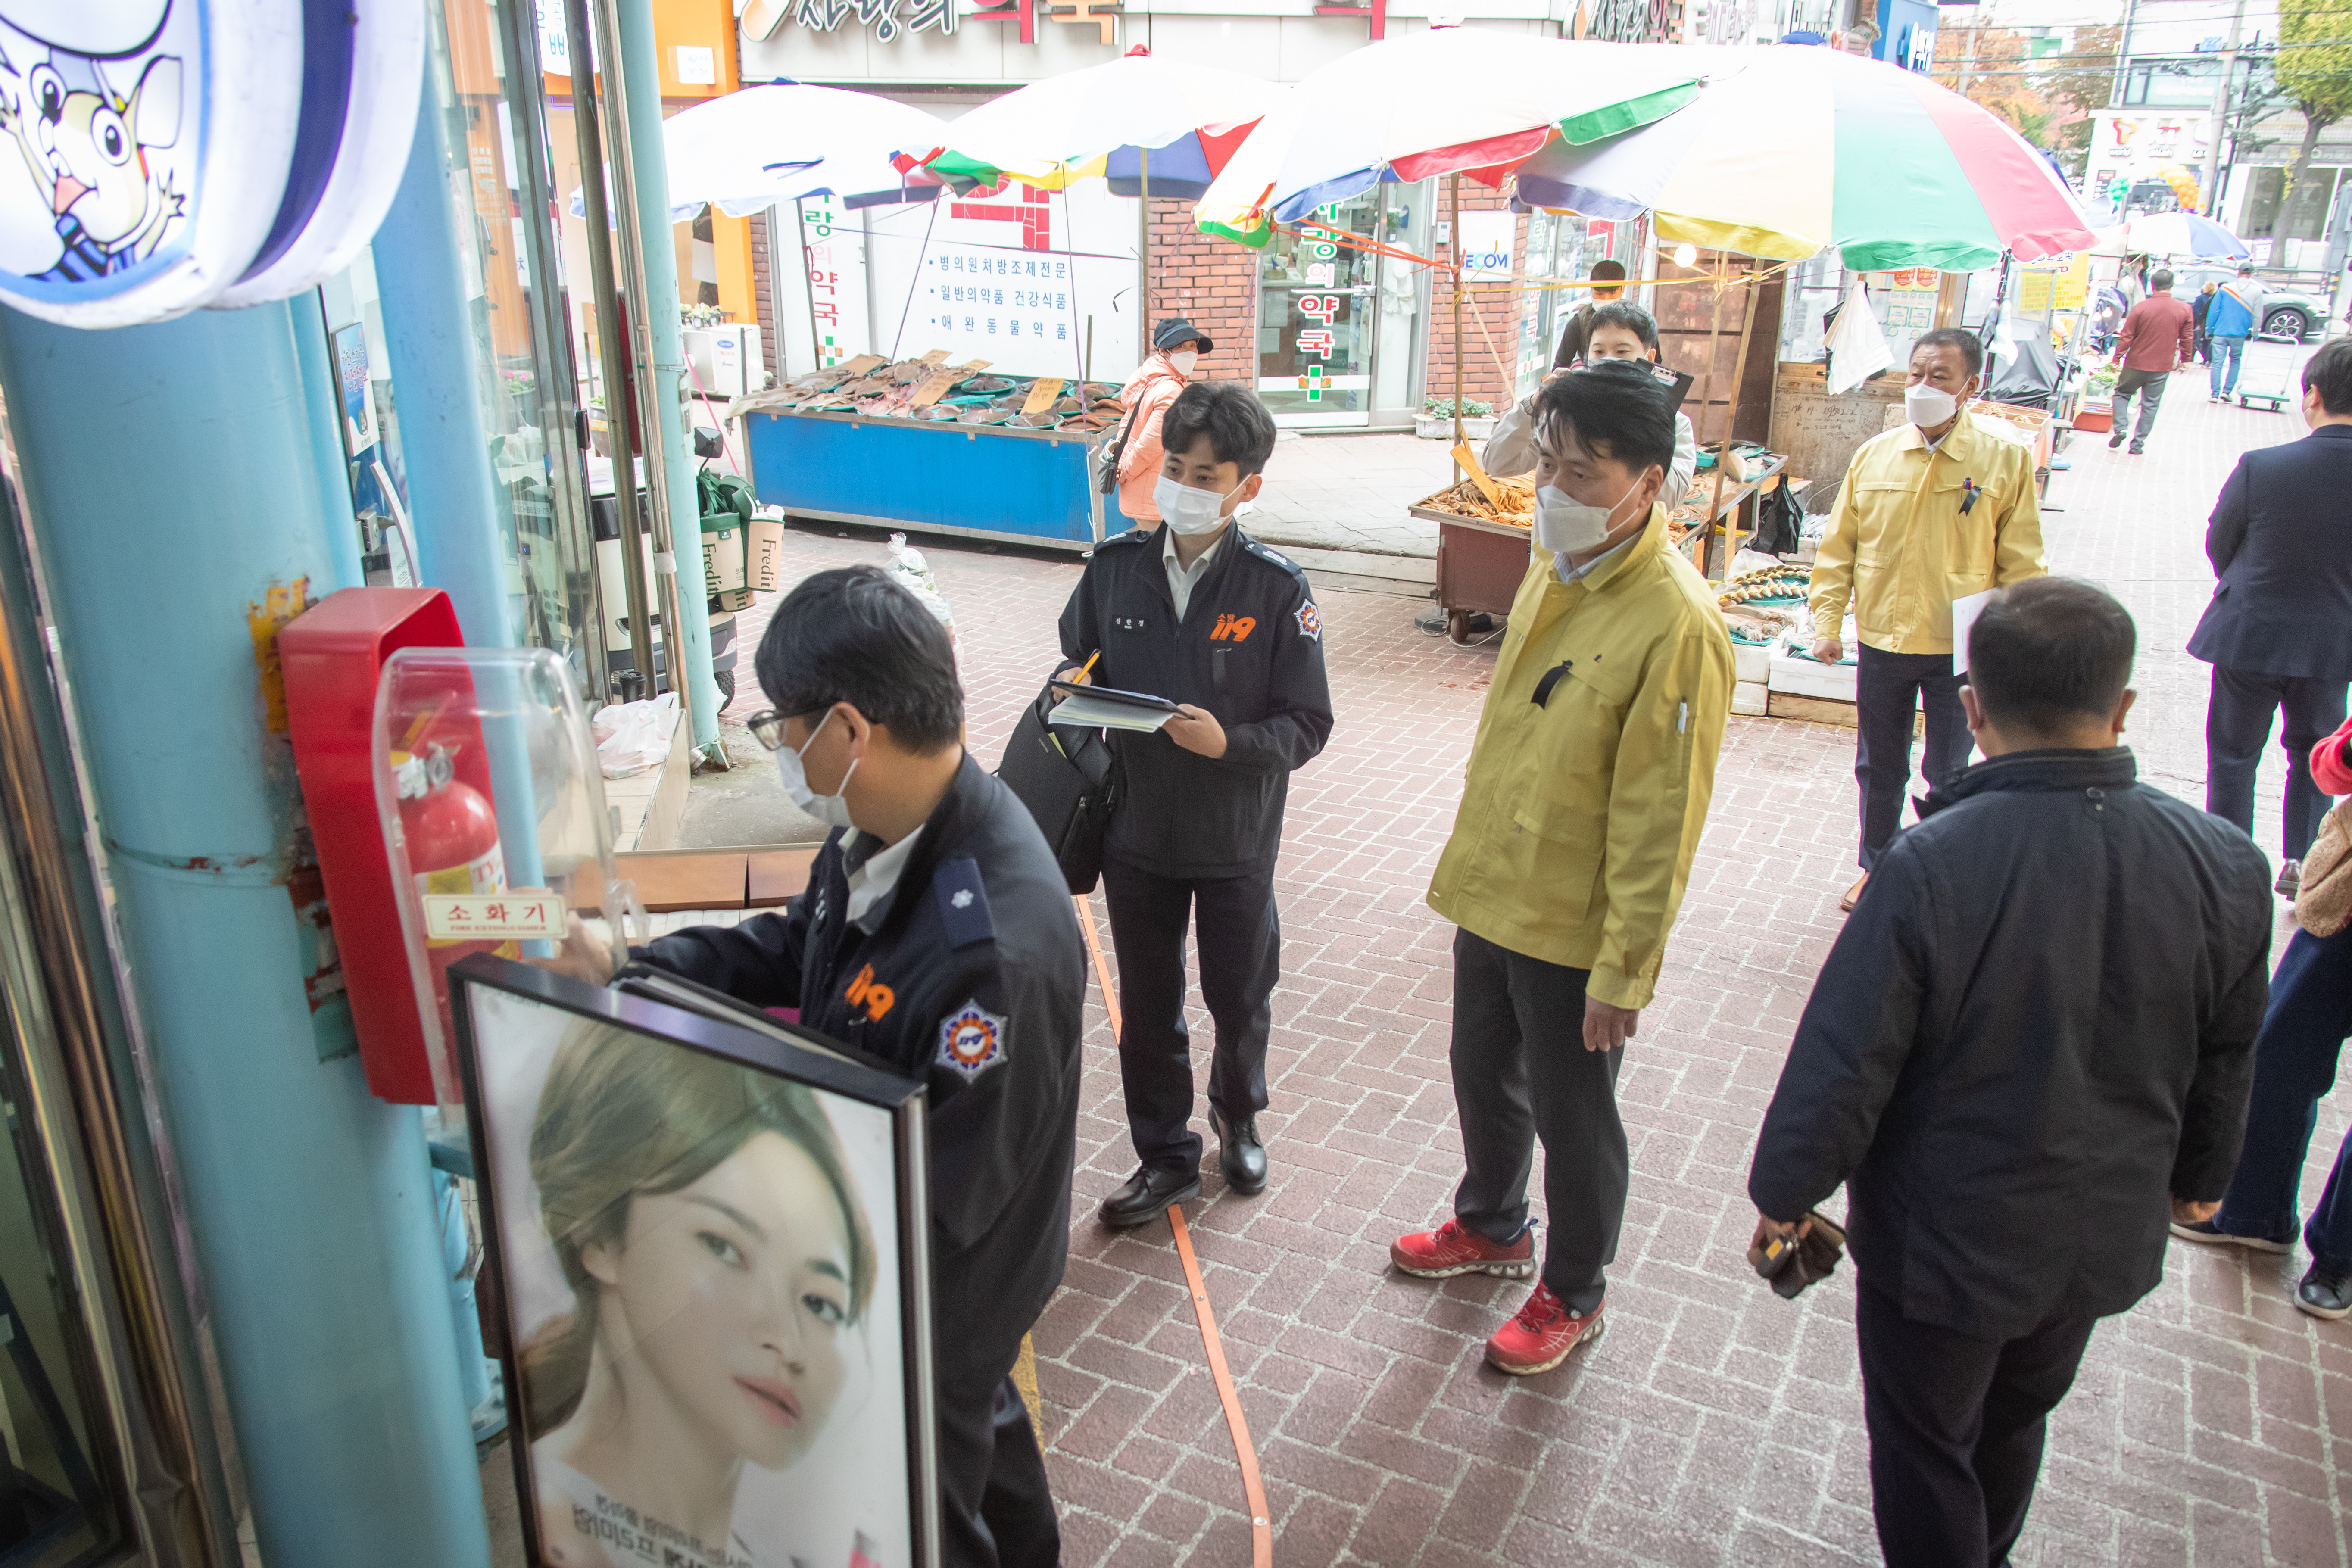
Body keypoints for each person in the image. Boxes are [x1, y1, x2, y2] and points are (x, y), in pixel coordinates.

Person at [549, 565, 1087, 1568]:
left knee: (930, 1490)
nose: (780, 749)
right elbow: (793, 944)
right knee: (986, 1445)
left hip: (944, 1284)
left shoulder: (990, 952)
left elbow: (948, 1200)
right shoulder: (882, 829)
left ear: (846, 730)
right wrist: (630, 970)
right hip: (911, 1239)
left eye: (780, 725)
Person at [1749, 577, 2273, 1568]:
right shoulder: (2228, 864)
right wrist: (2200, 1180)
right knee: (2014, 1415)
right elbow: (2229, 1048)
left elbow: (1846, 1056)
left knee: (1924, 1444)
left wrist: (1785, 1191)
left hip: (1942, 1244)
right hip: (2097, 1235)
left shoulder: (1929, 862)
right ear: (2121, 706)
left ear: (1972, 708)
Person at [1392, 361, 1733, 1375]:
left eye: (1582, 472)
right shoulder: (1555, 561)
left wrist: (1623, 969)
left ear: (1648, 483)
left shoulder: (1676, 622)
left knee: (1572, 1112)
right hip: (1497, 882)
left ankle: (1575, 1287)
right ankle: (1492, 1223)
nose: (1553, 488)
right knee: (1478, 1067)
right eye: (1547, 463)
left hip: (1575, 921)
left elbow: (1659, 818)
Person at [1053, 381, 1334, 1224]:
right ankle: (1165, 1155)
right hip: (1135, 833)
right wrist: (1073, 688)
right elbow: (1076, 659)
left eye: (1204, 476)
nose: (1181, 486)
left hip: (1234, 840)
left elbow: (1308, 722)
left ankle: (1237, 1116)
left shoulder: (1275, 589)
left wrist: (1230, 744)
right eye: (1173, 467)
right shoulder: (1114, 570)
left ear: (1246, 486)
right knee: (1147, 1008)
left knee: (1239, 994)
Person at [524, 1023, 876, 1568]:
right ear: (598, 1237)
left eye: (820, 1303)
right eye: (724, 1247)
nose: (787, 1342)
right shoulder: (565, 1540)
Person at [1808, 326, 2046, 913]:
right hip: (1883, 639)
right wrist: (1827, 623)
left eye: (1940, 376)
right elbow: (1838, 549)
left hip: (1961, 646)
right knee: (1879, 766)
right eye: (1915, 373)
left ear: (1971, 385)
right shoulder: (1875, 455)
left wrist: (2016, 647)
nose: (1923, 386)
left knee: (1948, 769)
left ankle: (1938, 873)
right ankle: (1877, 867)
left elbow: (2022, 563)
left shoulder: (2002, 459)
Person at [2174, 710, 2352, 1319]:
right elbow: (2327, 770)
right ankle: (2254, 1213)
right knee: (2276, 1053)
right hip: (2341, 909)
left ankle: (2341, 1254)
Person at [2187, 335, 2352, 897]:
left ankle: (2228, 865)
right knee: (2316, 754)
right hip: (2333, 644)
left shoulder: (2262, 465)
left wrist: (2249, 589)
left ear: (2312, 395)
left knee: (2233, 753)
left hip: (2249, 633)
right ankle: (2303, 861)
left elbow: (2220, 543)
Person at [1482, 300, 1697, 502]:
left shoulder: (1675, 423)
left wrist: (1634, 423)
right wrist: (1533, 405)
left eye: (1622, 351)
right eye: (1599, 351)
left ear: (1649, 358)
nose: (1609, 359)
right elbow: (1498, 464)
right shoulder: (1565, 415)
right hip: (1558, 528)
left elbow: (1670, 497)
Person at [1111, 318, 1210, 526]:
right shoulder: (1170, 391)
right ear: (1164, 352)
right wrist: (1125, 470)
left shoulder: (1149, 380)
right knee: (1160, 546)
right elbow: (1152, 444)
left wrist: (1121, 462)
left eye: (1193, 345)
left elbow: (1126, 425)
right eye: (1181, 346)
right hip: (1153, 493)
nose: (1190, 352)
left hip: (1142, 487)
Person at [2107, 265, 2194, 455]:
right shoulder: (2184, 309)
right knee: (2150, 405)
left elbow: (2127, 336)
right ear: (2171, 285)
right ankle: (2137, 445)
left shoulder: (2141, 307)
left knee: (2122, 394)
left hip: (2135, 363)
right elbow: (2187, 337)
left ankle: (2121, 428)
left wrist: (2117, 357)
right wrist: (2186, 359)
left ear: (2152, 286)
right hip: (2162, 366)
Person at [1550, 257, 1627, 370]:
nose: (1606, 299)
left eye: (1612, 294)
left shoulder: (1637, 320)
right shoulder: (1579, 323)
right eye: (1599, 294)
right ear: (1591, 289)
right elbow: (1561, 366)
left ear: (1623, 288)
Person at [2206, 262, 2264, 402]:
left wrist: (2209, 329)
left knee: (2217, 363)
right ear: (2251, 274)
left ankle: (2215, 394)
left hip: (2221, 332)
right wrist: (2256, 331)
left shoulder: (2225, 288)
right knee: (2235, 361)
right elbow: (2258, 315)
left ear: (2238, 272)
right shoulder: (2257, 291)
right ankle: (2227, 392)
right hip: (2240, 333)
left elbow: (2214, 311)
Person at [2193, 278, 2218, 363]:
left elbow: (2196, 312)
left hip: (2200, 323)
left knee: (2196, 340)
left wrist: (2196, 323)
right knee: (2207, 341)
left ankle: (2191, 358)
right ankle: (2208, 358)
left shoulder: (2201, 299)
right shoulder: (2214, 299)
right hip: (2210, 323)